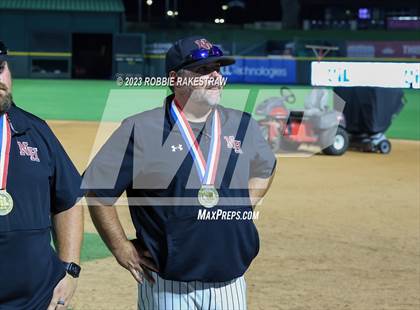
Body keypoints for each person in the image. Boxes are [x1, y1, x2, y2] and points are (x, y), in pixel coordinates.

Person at [84, 36, 276, 309]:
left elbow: (265, 167)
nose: (214, 77)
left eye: (218, 69)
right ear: (175, 78)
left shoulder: (242, 124)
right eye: (202, 70)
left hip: (230, 281)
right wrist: (119, 246)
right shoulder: (141, 129)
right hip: (167, 285)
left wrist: (244, 205)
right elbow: (97, 191)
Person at [0, 41, 83, 310]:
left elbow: (68, 200)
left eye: (0, 68)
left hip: (36, 300)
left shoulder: (35, 131)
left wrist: (70, 269)